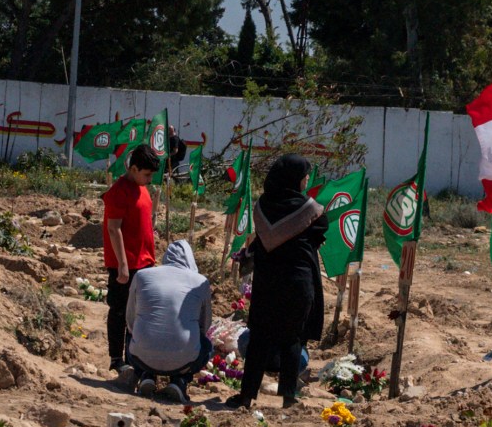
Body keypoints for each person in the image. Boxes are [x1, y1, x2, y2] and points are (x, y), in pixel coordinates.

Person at [228, 153, 325, 410]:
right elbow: (319, 233)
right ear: (294, 178)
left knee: (259, 336)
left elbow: (262, 239)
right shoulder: (310, 209)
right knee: (293, 338)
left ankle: (246, 396)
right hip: (298, 283)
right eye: (304, 175)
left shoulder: (262, 207)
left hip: (267, 283)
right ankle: (289, 397)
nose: (306, 180)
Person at [124, 240, 214, 405]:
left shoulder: (142, 275)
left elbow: (130, 319)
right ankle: (180, 381)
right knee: (207, 346)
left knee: (132, 334)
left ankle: (146, 375)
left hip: (141, 356)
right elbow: (205, 325)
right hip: (185, 359)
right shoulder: (201, 282)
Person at [102, 143, 160, 378]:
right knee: (119, 311)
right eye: (146, 174)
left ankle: (133, 358)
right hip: (126, 264)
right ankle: (117, 359)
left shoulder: (142, 188)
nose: (149, 179)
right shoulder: (118, 191)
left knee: (137, 314)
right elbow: (113, 229)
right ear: (134, 168)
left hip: (144, 262)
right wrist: (122, 264)